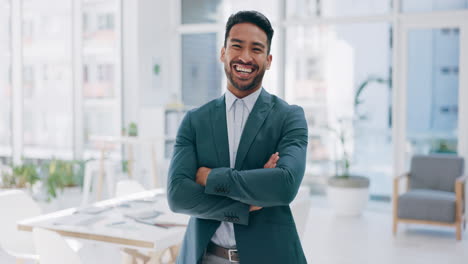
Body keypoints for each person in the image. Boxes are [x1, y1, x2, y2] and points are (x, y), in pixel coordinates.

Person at [167, 10, 308, 264]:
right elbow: (178, 195)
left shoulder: (289, 117)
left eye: (256, 49)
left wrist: (210, 177)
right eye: (236, 46)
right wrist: (244, 204)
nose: (245, 56)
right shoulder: (195, 120)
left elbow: (285, 185)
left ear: (268, 59)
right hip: (205, 256)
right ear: (223, 53)